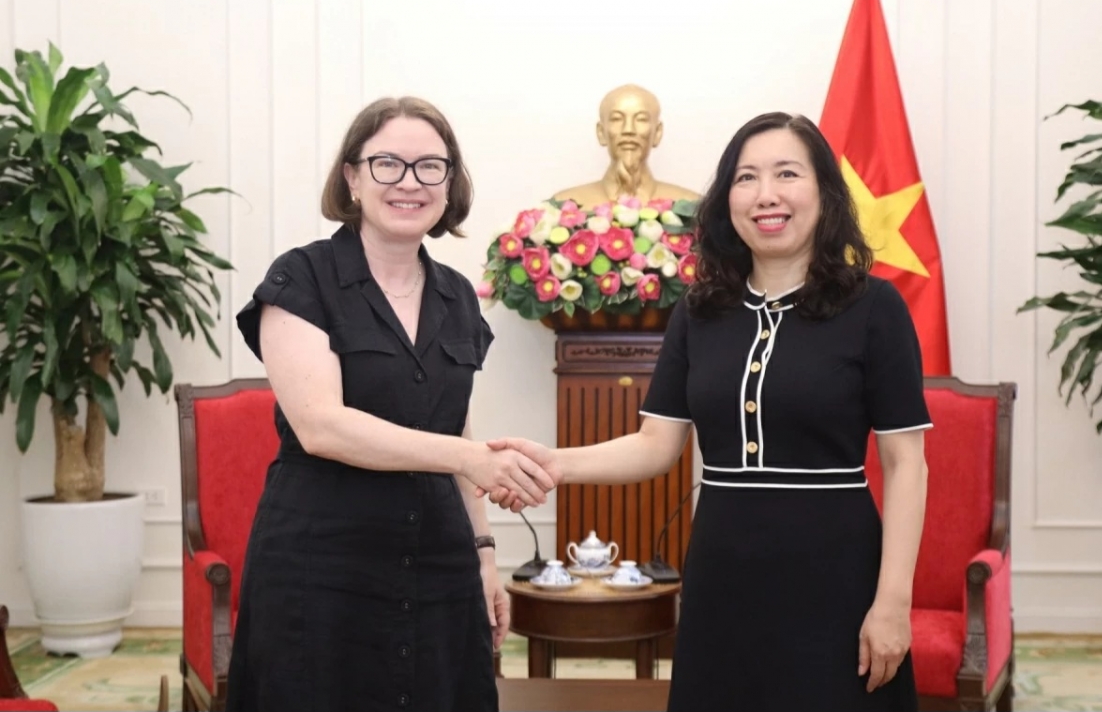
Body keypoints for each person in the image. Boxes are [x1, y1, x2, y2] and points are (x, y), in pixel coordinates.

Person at [485, 112, 931, 711]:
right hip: (723, 574)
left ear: (824, 192)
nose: (766, 194)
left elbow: (907, 464)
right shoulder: (699, 309)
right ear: (728, 201)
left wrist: (893, 602)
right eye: (746, 178)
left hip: (836, 574)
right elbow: (655, 445)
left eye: (786, 174)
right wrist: (553, 462)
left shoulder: (875, 307)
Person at [227, 96, 556, 712]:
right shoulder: (301, 279)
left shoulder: (458, 295)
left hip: (438, 557)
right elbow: (321, 426)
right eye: (388, 164)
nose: (410, 182)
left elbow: (455, 422)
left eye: (431, 166)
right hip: (320, 563)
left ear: (449, 183)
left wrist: (483, 554)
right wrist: (469, 455)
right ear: (351, 177)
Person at [550, 84, 701, 209]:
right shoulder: (565, 206)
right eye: (616, 119)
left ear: (657, 133)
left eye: (641, 119)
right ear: (601, 132)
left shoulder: (690, 206)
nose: (628, 129)